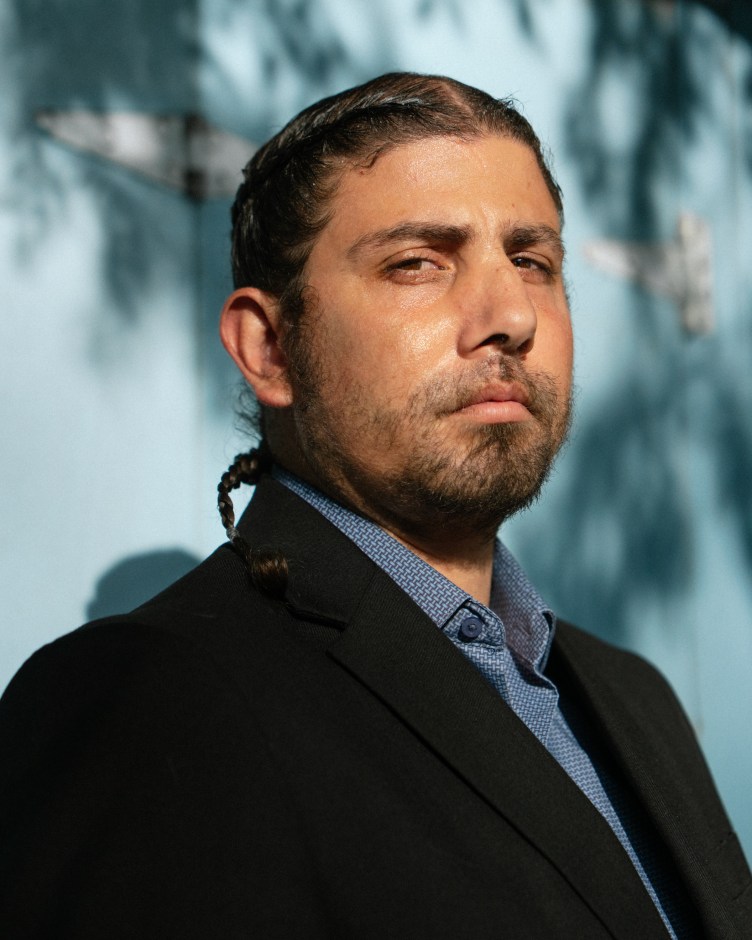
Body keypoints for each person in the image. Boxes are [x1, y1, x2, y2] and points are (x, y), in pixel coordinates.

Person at [0, 73, 749, 940]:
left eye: (532, 261)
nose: (510, 314)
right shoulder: (148, 703)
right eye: (418, 263)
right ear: (270, 347)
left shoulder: (634, 698)